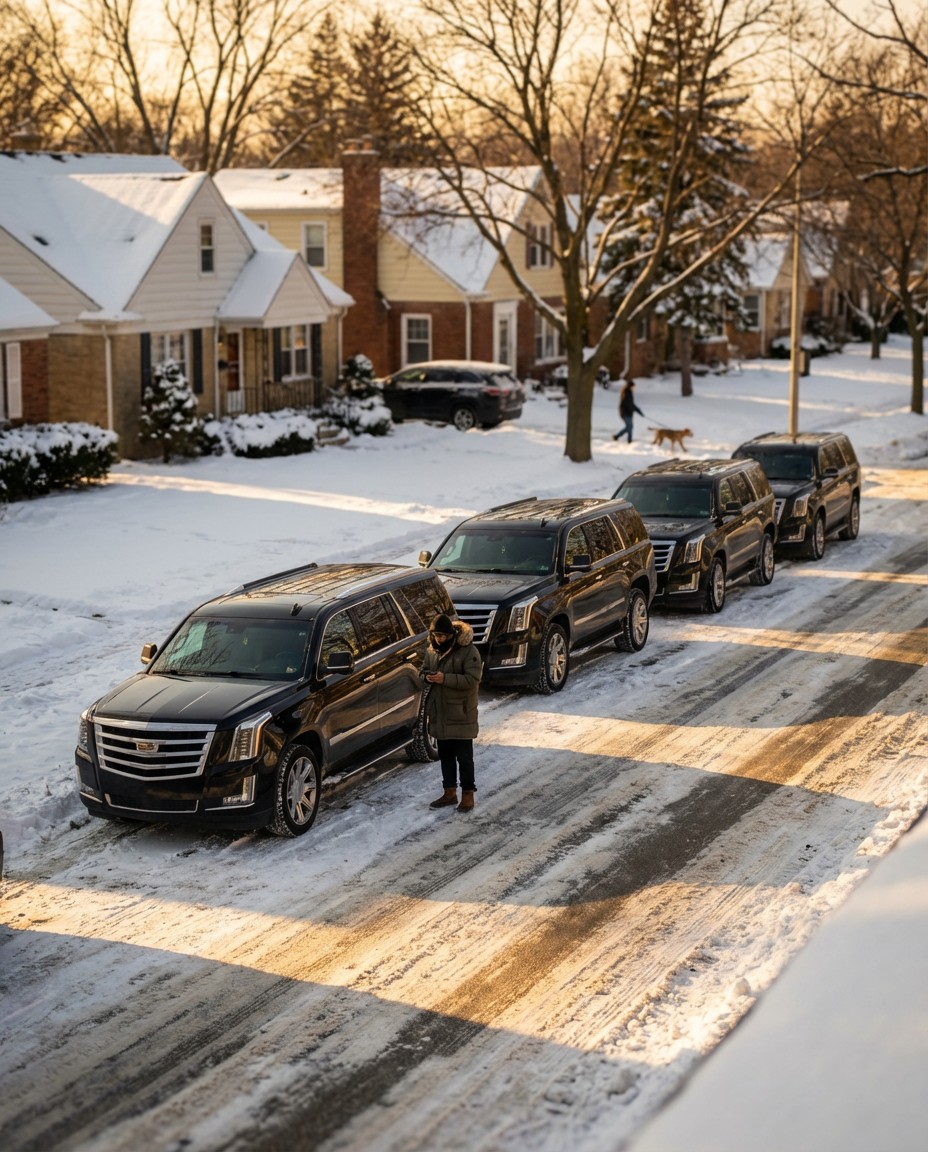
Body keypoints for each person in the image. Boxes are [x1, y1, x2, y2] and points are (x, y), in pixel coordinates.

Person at [422, 613, 483, 812]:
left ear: (451, 635)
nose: (439, 639)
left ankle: (468, 795)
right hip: (440, 713)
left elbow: (472, 680)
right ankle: (449, 793)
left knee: (464, 758)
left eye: (443, 636)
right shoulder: (432, 651)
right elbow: (422, 671)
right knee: (446, 756)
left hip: (462, 714)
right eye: (436, 635)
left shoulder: (468, 651)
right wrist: (426, 677)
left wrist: (444, 679)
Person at [614, 378, 645, 443]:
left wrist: (638, 411)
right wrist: (638, 411)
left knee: (629, 427)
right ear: (630, 386)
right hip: (625, 413)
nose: (634, 388)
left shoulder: (628, 393)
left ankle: (617, 436)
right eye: (633, 387)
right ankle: (629, 440)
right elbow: (630, 404)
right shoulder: (627, 393)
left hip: (627, 413)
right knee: (629, 427)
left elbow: (631, 404)